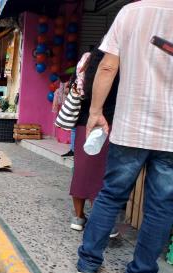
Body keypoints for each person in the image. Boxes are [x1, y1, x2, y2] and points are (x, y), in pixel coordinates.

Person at [75, 2, 173, 273]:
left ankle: (87, 266)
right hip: (170, 135)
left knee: (111, 196)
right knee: (161, 207)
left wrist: (95, 110)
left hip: (131, 126)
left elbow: (107, 65)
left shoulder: (131, 12)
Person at [69, 48, 118, 232]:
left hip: (84, 122)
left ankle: (78, 217)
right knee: (102, 173)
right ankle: (104, 222)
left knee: (81, 171)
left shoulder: (84, 64)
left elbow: (76, 89)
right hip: (109, 124)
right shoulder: (119, 66)